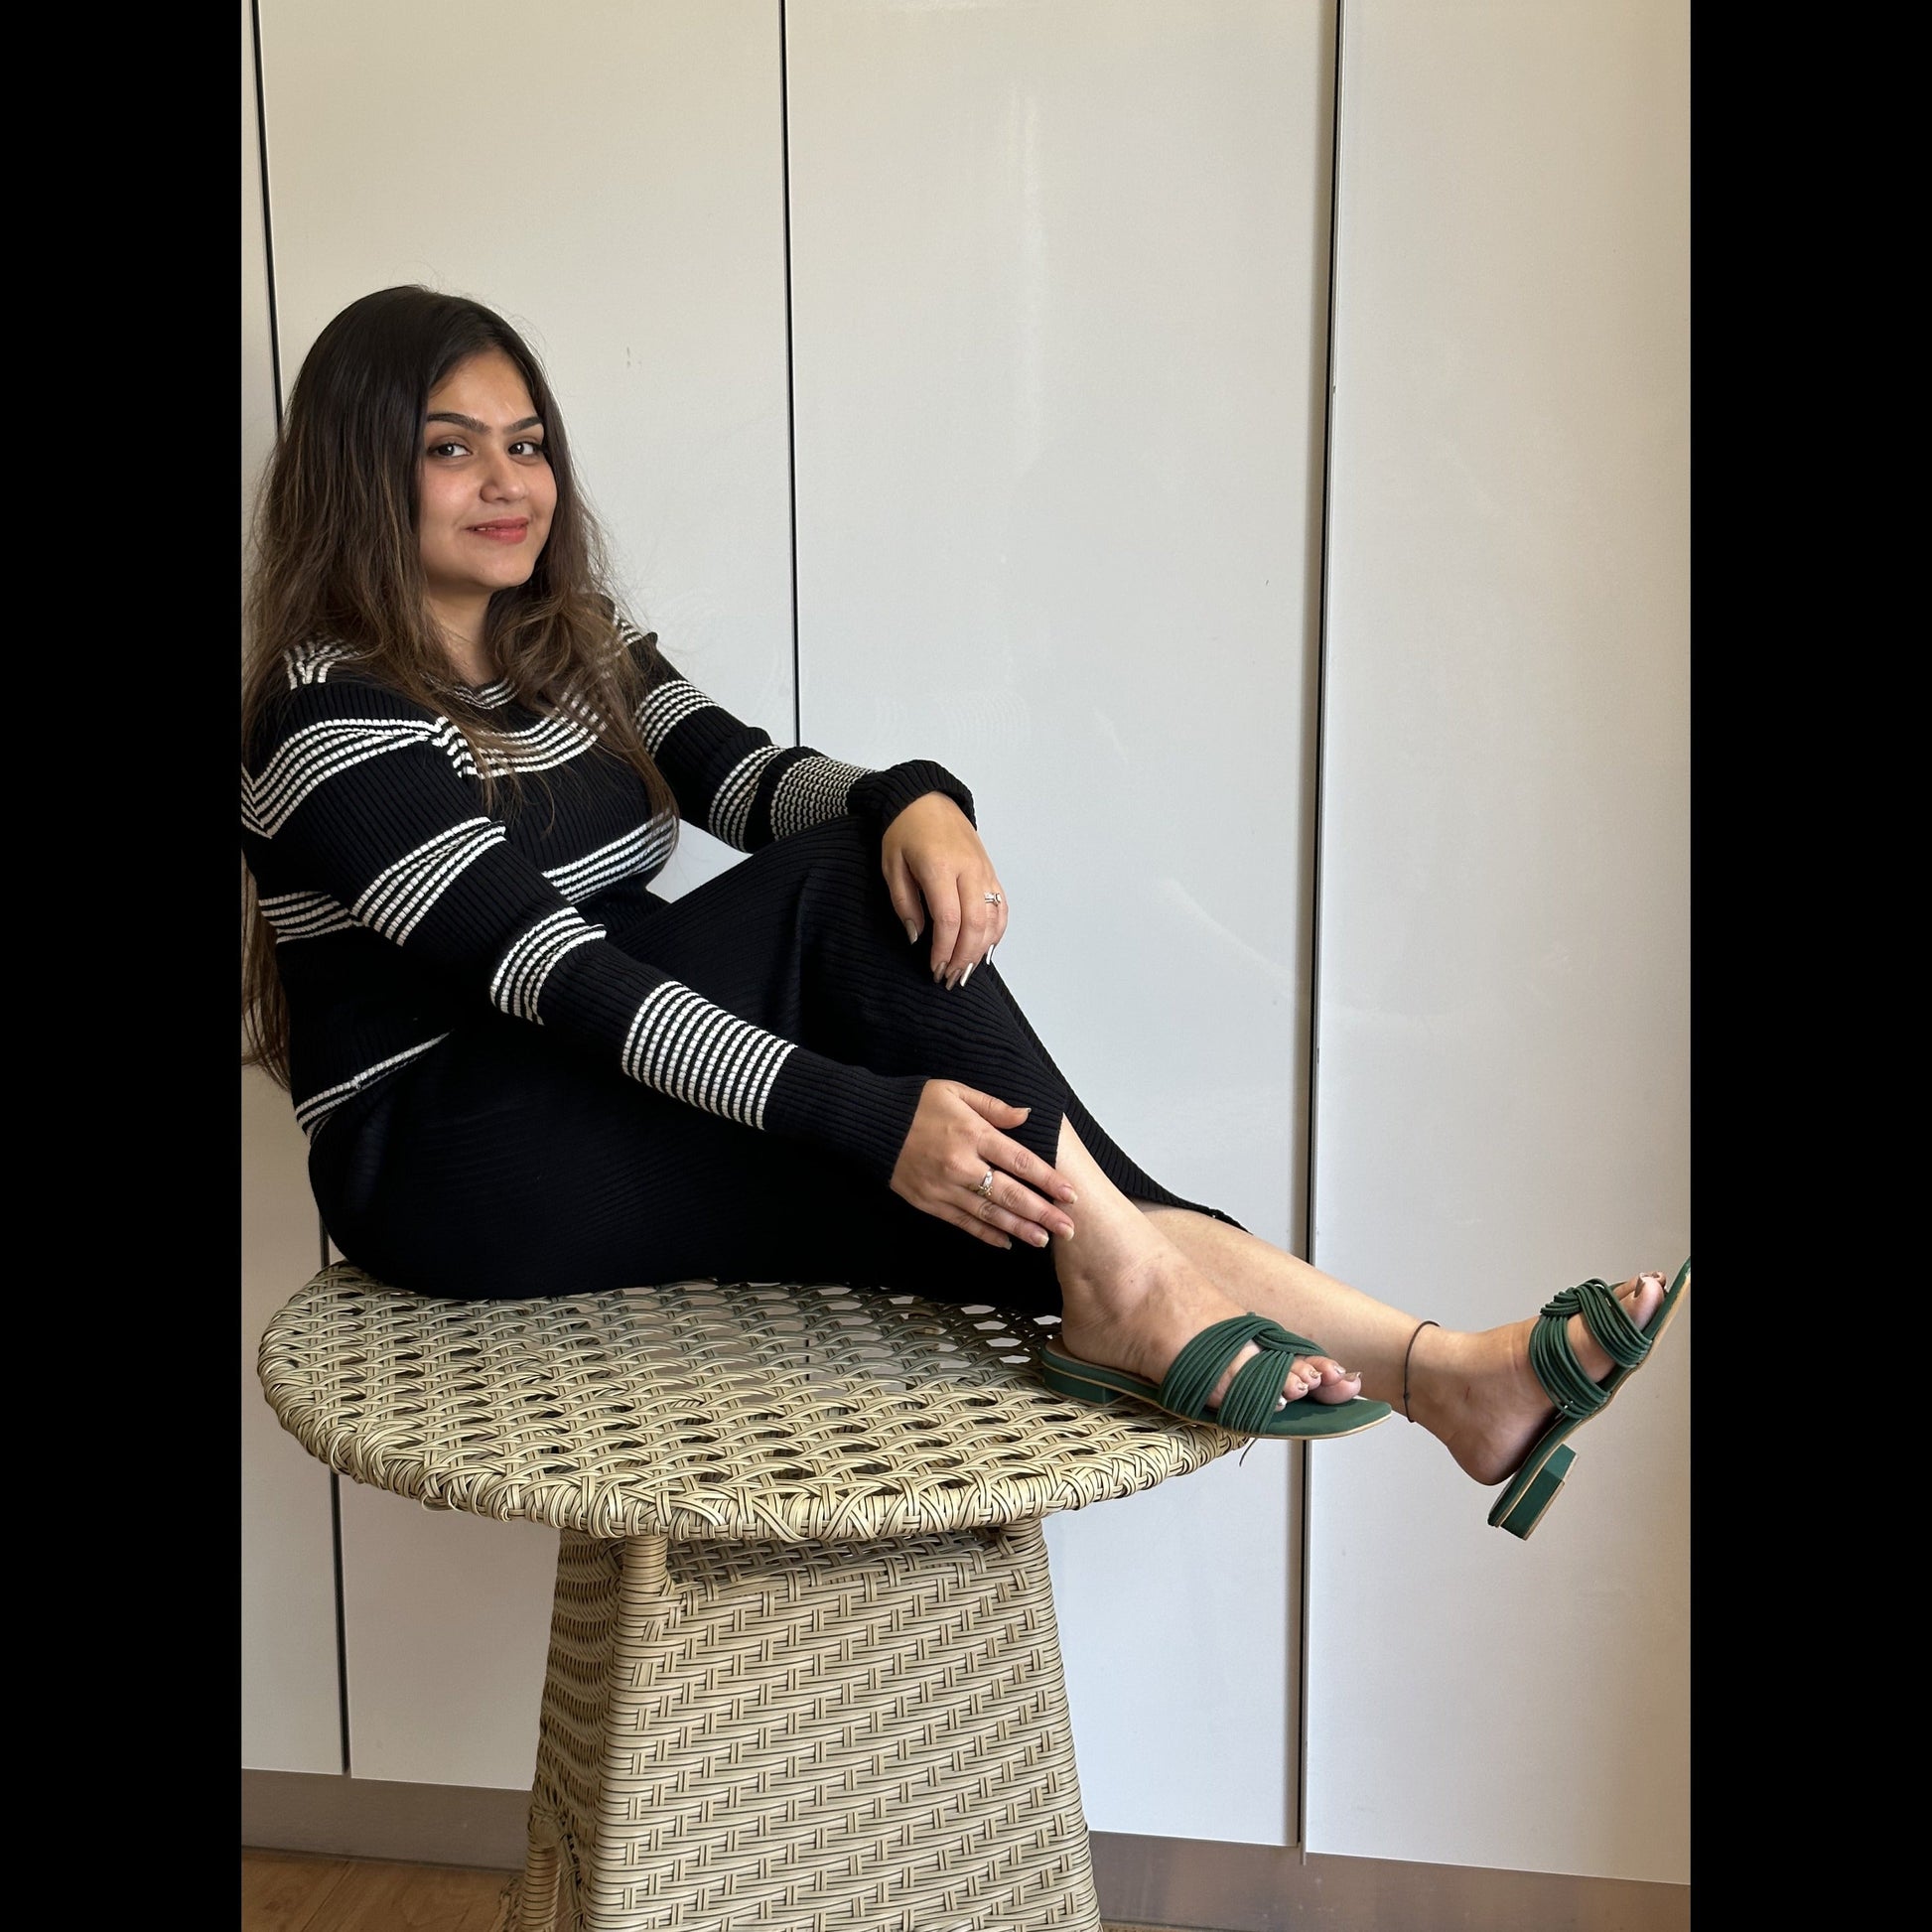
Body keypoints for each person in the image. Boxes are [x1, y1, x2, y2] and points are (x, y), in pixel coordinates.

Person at [241, 287, 1685, 1537]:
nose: (508, 482)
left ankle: (1443, 1375)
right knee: (850, 924)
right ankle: (1193, 1302)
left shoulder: (570, 647)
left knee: (1037, 1192)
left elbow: (749, 778)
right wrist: (872, 1116)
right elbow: (560, 974)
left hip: (591, 1102)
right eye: (451, 448)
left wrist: (913, 800)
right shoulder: (324, 713)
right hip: (442, 1160)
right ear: (363, 473)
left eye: (528, 443)